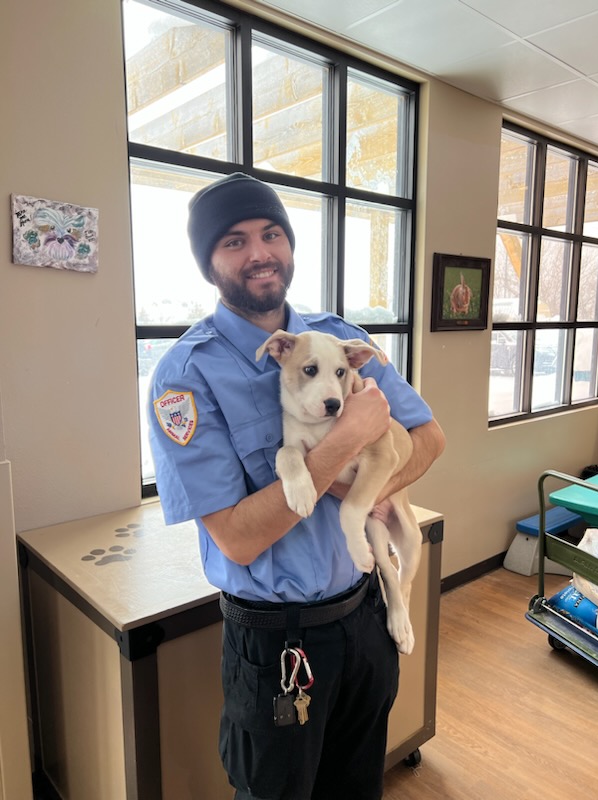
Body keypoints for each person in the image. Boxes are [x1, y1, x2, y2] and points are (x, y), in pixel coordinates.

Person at [149, 172, 445, 800]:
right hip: (276, 641)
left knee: (358, 784)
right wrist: (345, 442)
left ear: (289, 245)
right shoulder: (185, 377)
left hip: (365, 618)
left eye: (271, 233)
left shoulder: (346, 340)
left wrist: (364, 488)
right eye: (234, 241)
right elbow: (236, 538)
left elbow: (428, 440)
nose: (259, 253)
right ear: (209, 262)